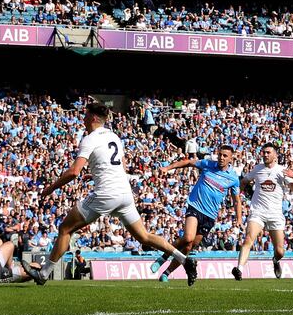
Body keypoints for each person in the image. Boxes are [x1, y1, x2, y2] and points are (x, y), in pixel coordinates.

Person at [28, 102, 198, 285]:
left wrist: (50, 188)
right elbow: (121, 166)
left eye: (85, 115)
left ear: (93, 118)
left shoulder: (90, 138)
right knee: (144, 236)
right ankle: (184, 259)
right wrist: (93, 172)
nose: (83, 118)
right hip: (124, 194)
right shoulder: (114, 136)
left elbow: (73, 172)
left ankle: (44, 274)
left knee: (64, 229)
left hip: (106, 194)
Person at [150, 144, 242, 282]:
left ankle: (166, 273)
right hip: (195, 207)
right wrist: (168, 168)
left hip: (210, 216)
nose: (221, 158)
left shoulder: (233, 178)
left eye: (225, 156)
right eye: (220, 154)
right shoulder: (207, 164)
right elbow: (188, 162)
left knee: (188, 247)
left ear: (231, 158)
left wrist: (239, 218)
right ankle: (163, 257)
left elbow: (236, 200)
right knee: (187, 238)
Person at [232, 143, 293, 280]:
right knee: (248, 239)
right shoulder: (257, 169)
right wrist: (237, 194)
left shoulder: (282, 171)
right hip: (258, 211)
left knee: (280, 251)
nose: (265, 155)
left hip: (275, 214)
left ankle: (276, 260)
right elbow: (245, 181)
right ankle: (239, 269)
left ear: (275, 155)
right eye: (263, 152)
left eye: (268, 152)